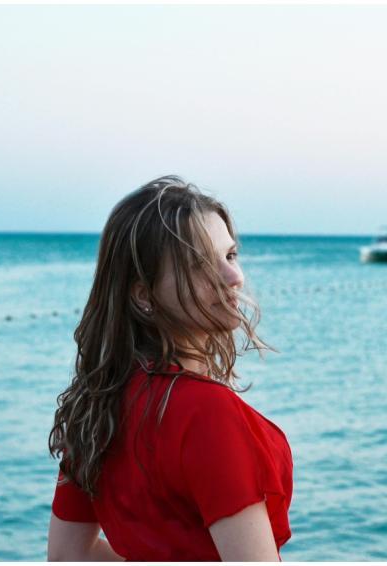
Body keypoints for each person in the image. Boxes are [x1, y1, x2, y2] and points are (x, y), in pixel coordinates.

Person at [47, 175, 293, 561]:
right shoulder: (207, 413)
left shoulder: (97, 404)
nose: (234, 278)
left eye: (230, 256)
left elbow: (67, 557)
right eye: (199, 264)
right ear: (144, 294)